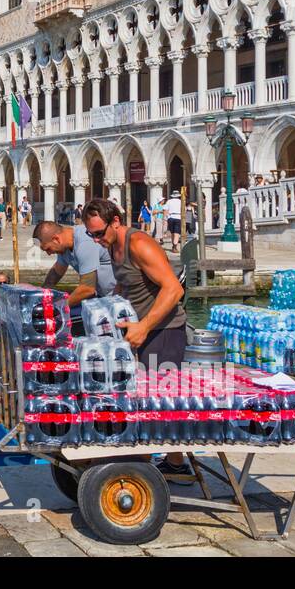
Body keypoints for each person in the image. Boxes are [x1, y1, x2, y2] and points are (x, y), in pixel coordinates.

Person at [81, 198, 191, 480]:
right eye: (90, 235)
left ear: (115, 221)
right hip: (141, 330)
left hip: (164, 331)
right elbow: (126, 283)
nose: (95, 240)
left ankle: (139, 471)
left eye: (99, 233)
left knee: (155, 402)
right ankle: (176, 465)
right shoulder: (114, 246)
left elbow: (173, 289)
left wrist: (143, 325)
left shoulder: (139, 243)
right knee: (151, 398)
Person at [32, 219, 116, 307]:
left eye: (48, 249)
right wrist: (41, 296)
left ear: (56, 239)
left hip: (119, 296)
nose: (49, 254)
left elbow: (87, 289)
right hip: (102, 297)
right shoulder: (63, 248)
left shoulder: (84, 243)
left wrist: (58, 307)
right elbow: (56, 272)